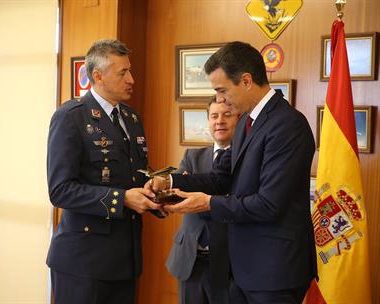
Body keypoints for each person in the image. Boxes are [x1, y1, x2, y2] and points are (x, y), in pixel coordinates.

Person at [150, 41, 317, 303]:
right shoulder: (246, 124)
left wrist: (207, 203)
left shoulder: (288, 126)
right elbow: (219, 178)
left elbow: (269, 204)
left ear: (247, 81)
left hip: (275, 271)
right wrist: (168, 181)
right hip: (243, 269)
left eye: (221, 89)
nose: (220, 99)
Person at [46, 39, 161, 304]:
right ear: (98, 76)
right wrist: (122, 199)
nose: (131, 79)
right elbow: (60, 190)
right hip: (83, 263)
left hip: (125, 260)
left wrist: (155, 196)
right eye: (123, 73)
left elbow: (136, 177)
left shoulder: (132, 118)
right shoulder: (71, 117)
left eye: (130, 71)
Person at [166, 97, 238, 304]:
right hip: (190, 261)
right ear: (208, 120)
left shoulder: (245, 160)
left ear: (239, 119)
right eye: (214, 116)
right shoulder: (193, 157)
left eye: (227, 115)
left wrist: (202, 199)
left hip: (228, 264)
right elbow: (175, 196)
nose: (220, 121)